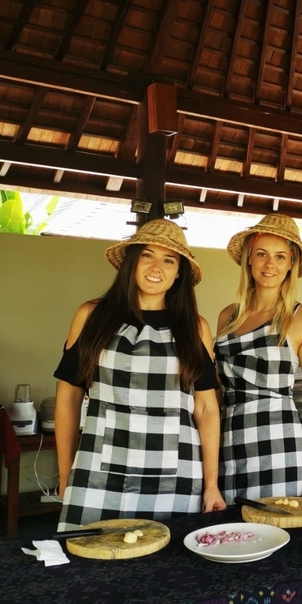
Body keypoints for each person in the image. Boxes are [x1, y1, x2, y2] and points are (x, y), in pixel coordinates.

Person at [54, 219, 224, 531]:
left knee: (167, 572)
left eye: (169, 260)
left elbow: (207, 408)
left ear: (178, 274)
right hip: (98, 469)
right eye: (147, 255)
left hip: (175, 473)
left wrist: (211, 484)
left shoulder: (195, 328)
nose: (156, 266)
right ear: (132, 262)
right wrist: (66, 475)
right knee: (89, 566)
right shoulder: (91, 315)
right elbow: (68, 397)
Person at [215, 213, 302, 502]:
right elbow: (215, 391)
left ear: (291, 264)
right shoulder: (226, 316)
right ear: (249, 258)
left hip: (279, 443)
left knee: (280, 530)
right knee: (232, 536)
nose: (270, 264)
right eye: (262, 254)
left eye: (280, 257)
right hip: (229, 440)